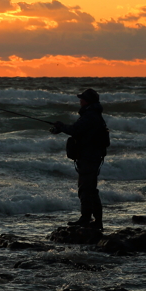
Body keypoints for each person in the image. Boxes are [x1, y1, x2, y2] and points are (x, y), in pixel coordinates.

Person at [50, 88, 108, 229]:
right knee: (90, 189)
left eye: (82, 98)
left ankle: (87, 218)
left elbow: (75, 130)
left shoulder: (90, 116)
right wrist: (62, 128)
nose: (80, 100)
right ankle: (95, 220)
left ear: (88, 101)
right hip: (91, 156)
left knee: (85, 189)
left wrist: (61, 126)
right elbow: (79, 131)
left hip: (89, 157)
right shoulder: (93, 115)